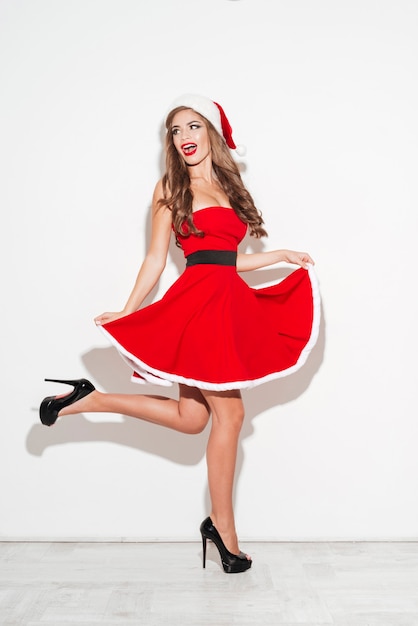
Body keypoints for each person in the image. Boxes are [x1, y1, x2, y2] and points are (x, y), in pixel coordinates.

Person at [40, 94, 320, 574]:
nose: (184, 137)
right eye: (175, 131)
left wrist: (279, 256)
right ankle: (222, 529)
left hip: (225, 303)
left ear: (211, 132)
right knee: (229, 414)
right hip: (197, 308)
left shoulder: (230, 191)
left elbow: (226, 260)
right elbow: (155, 258)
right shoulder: (171, 187)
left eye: (192, 126)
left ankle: (88, 399)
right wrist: (127, 312)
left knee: (193, 419)